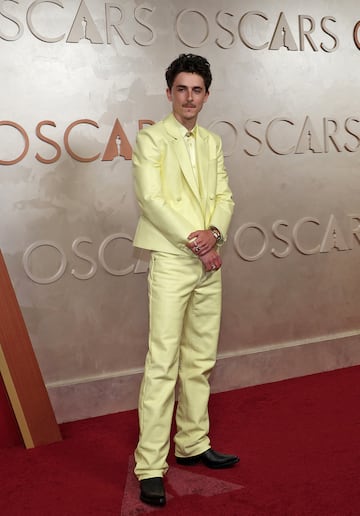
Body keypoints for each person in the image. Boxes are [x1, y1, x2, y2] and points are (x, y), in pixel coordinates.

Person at [132, 53, 238, 507]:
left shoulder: (212, 141)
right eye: (182, 88)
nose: (189, 97)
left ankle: (193, 442)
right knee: (163, 362)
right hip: (175, 258)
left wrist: (213, 235)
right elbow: (151, 201)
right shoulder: (151, 139)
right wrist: (199, 243)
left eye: (197, 90)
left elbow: (223, 196)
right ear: (169, 92)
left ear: (206, 95)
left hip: (208, 260)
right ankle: (150, 465)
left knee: (199, 359)